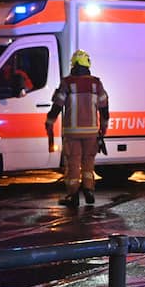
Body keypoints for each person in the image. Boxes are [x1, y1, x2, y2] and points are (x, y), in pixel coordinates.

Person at [45, 50, 109, 207]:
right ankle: (89, 191)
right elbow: (105, 108)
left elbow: (58, 105)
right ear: (88, 64)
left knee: (73, 163)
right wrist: (103, 129)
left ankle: (73, 196)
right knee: (88, 162)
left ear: (73, 64)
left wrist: (50, 120)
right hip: (92, 132)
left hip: (72, 132)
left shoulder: (67, 83)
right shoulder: (96, 84)